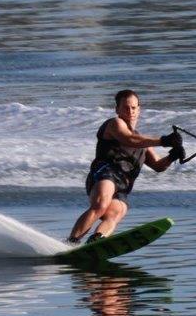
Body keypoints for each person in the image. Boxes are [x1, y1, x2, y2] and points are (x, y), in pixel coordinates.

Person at [67, 90, 185, 244]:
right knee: (101, 205)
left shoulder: (143, 142)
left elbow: (158, 165)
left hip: (123, 184)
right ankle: (71, 242)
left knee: (117, 212)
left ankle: (96, 241)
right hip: (105, 174)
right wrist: (163, 140)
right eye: (126, 108)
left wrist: (172, 156)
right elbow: (128, 139)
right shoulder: (114, 124)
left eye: (134, 108)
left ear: (139, 109)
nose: (130, 112)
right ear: (117, 110)